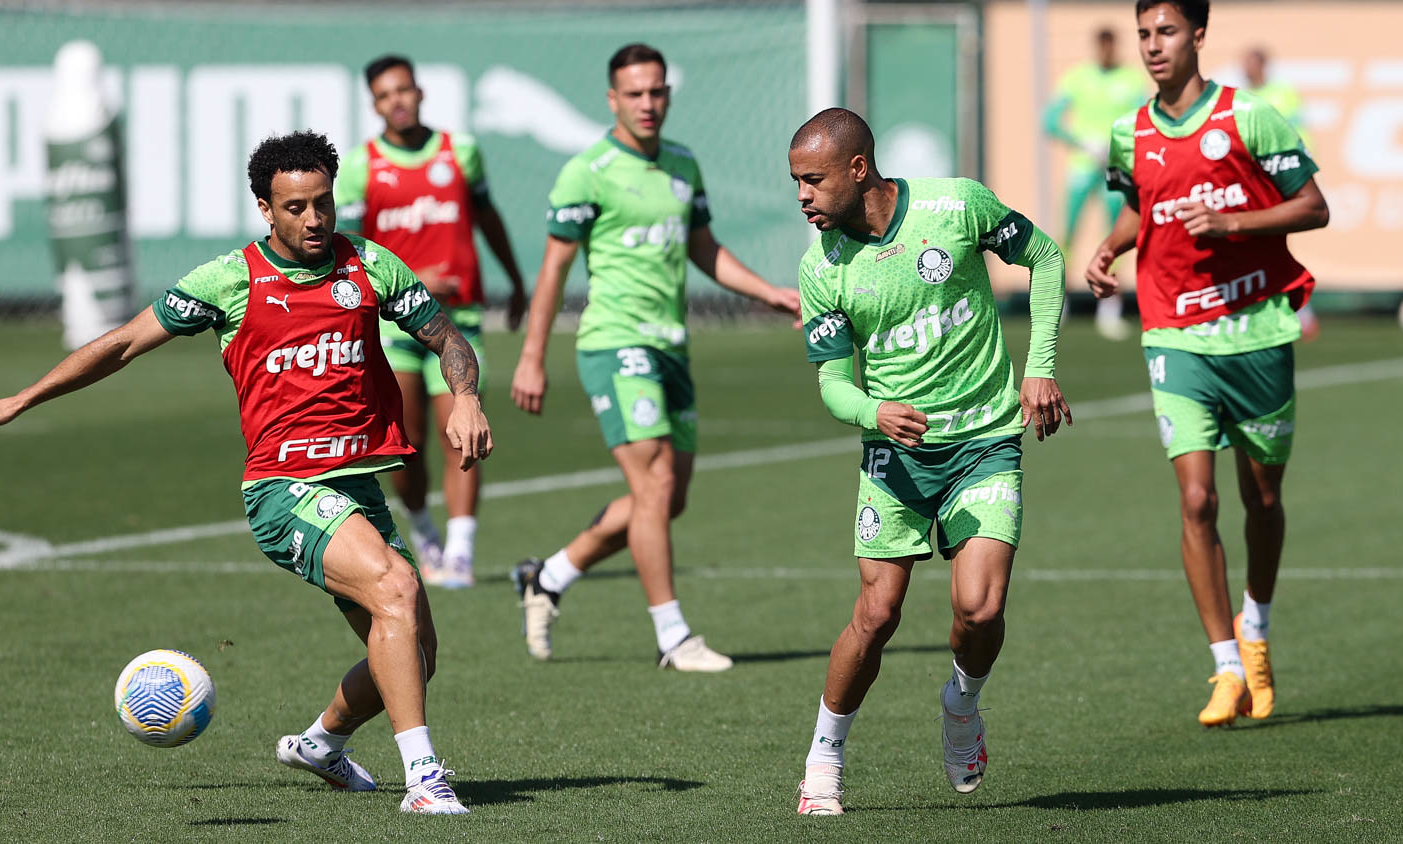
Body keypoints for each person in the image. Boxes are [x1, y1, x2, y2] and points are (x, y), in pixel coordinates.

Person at [0, 131, 493, 815]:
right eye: (296, 207)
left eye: (323, 204)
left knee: (415, 654)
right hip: (282, 489)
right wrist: (22, 398)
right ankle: (424, 782)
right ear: (265, 211)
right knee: (395, 587)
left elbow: (446, 336)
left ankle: (322, 743)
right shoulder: (229, 281)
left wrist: (468, 396)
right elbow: (123, 343)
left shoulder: (368, 263)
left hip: (354, 485)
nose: (313, 220)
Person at [789, 108, 1071, 813]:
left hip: (983, 443)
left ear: (858, 170)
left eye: (813, 181)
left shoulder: (956, 206)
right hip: (897, 460)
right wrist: (871, 412)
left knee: (979, 609)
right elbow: (831, 380)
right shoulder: (820, 269)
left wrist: (1039, 367)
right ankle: (824, 756)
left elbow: (1046, 257)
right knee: (877, 613)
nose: (802, 197)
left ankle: (961, 704)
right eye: (795, 182)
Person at [508, 43, 800, 671]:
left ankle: (548, 577)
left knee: (665, 500)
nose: (648, 103)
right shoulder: (586, 171)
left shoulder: (682, 165)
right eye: (634, 93)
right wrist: (532, 357)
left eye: (657, 91)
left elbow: (704, 249)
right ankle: (673, 637)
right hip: (615, 343)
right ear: (612, 100)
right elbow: (554, 269)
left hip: (671, 348)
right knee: (656, 482)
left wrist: (768, 291)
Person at [1086, 0, 1329, 727]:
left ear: (1197, 34)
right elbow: (1143, 205)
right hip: (1175, 335)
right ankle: (1224, 665)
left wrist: (1234, 222)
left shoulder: (1248, 120)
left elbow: (1313, 207)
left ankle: (1256, 628)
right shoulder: (1128, 131)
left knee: (1261, 499)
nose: (1153, 47)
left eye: (1165, 33)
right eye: (1143, 36)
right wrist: (1111, 246)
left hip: (1256, 333)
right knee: (1197, 500)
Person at [336, 55, 528, 589]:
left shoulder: (459, 152)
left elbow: (487, 218)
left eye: (404, 90)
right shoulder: (360, 166)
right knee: (405, 442)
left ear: (419, 93)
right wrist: (410, 276)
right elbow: (349, 250)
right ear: (374, 104)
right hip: (391, 326)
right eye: (384, 95)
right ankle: (424, 531)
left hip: (456, 320)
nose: (396, 101)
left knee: (461, 433)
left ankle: (461, 553)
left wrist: (514, 279)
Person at [1042, 27, 1147, 341]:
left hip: (1113, 168)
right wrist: (1081, 142)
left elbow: (1144, 119)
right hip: (1082, 167)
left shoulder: (1130, 79)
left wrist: (1116, 145)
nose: (1105, 52)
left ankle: (1109, 308)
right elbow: (1049, 121)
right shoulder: (1078, 78)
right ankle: (1058, 305)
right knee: (1067, 235)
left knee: (1115, 236)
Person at [1242, 46, 1320, 341]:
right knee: (1257, 247)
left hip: (1276, 183)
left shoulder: (1282, 94)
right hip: (1250, 183)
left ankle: (1301, 310)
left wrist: (1299, 172)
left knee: (1270, 245)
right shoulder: (1241, 98)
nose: (1247, 69)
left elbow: (1299, 133)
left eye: (1251, 63)